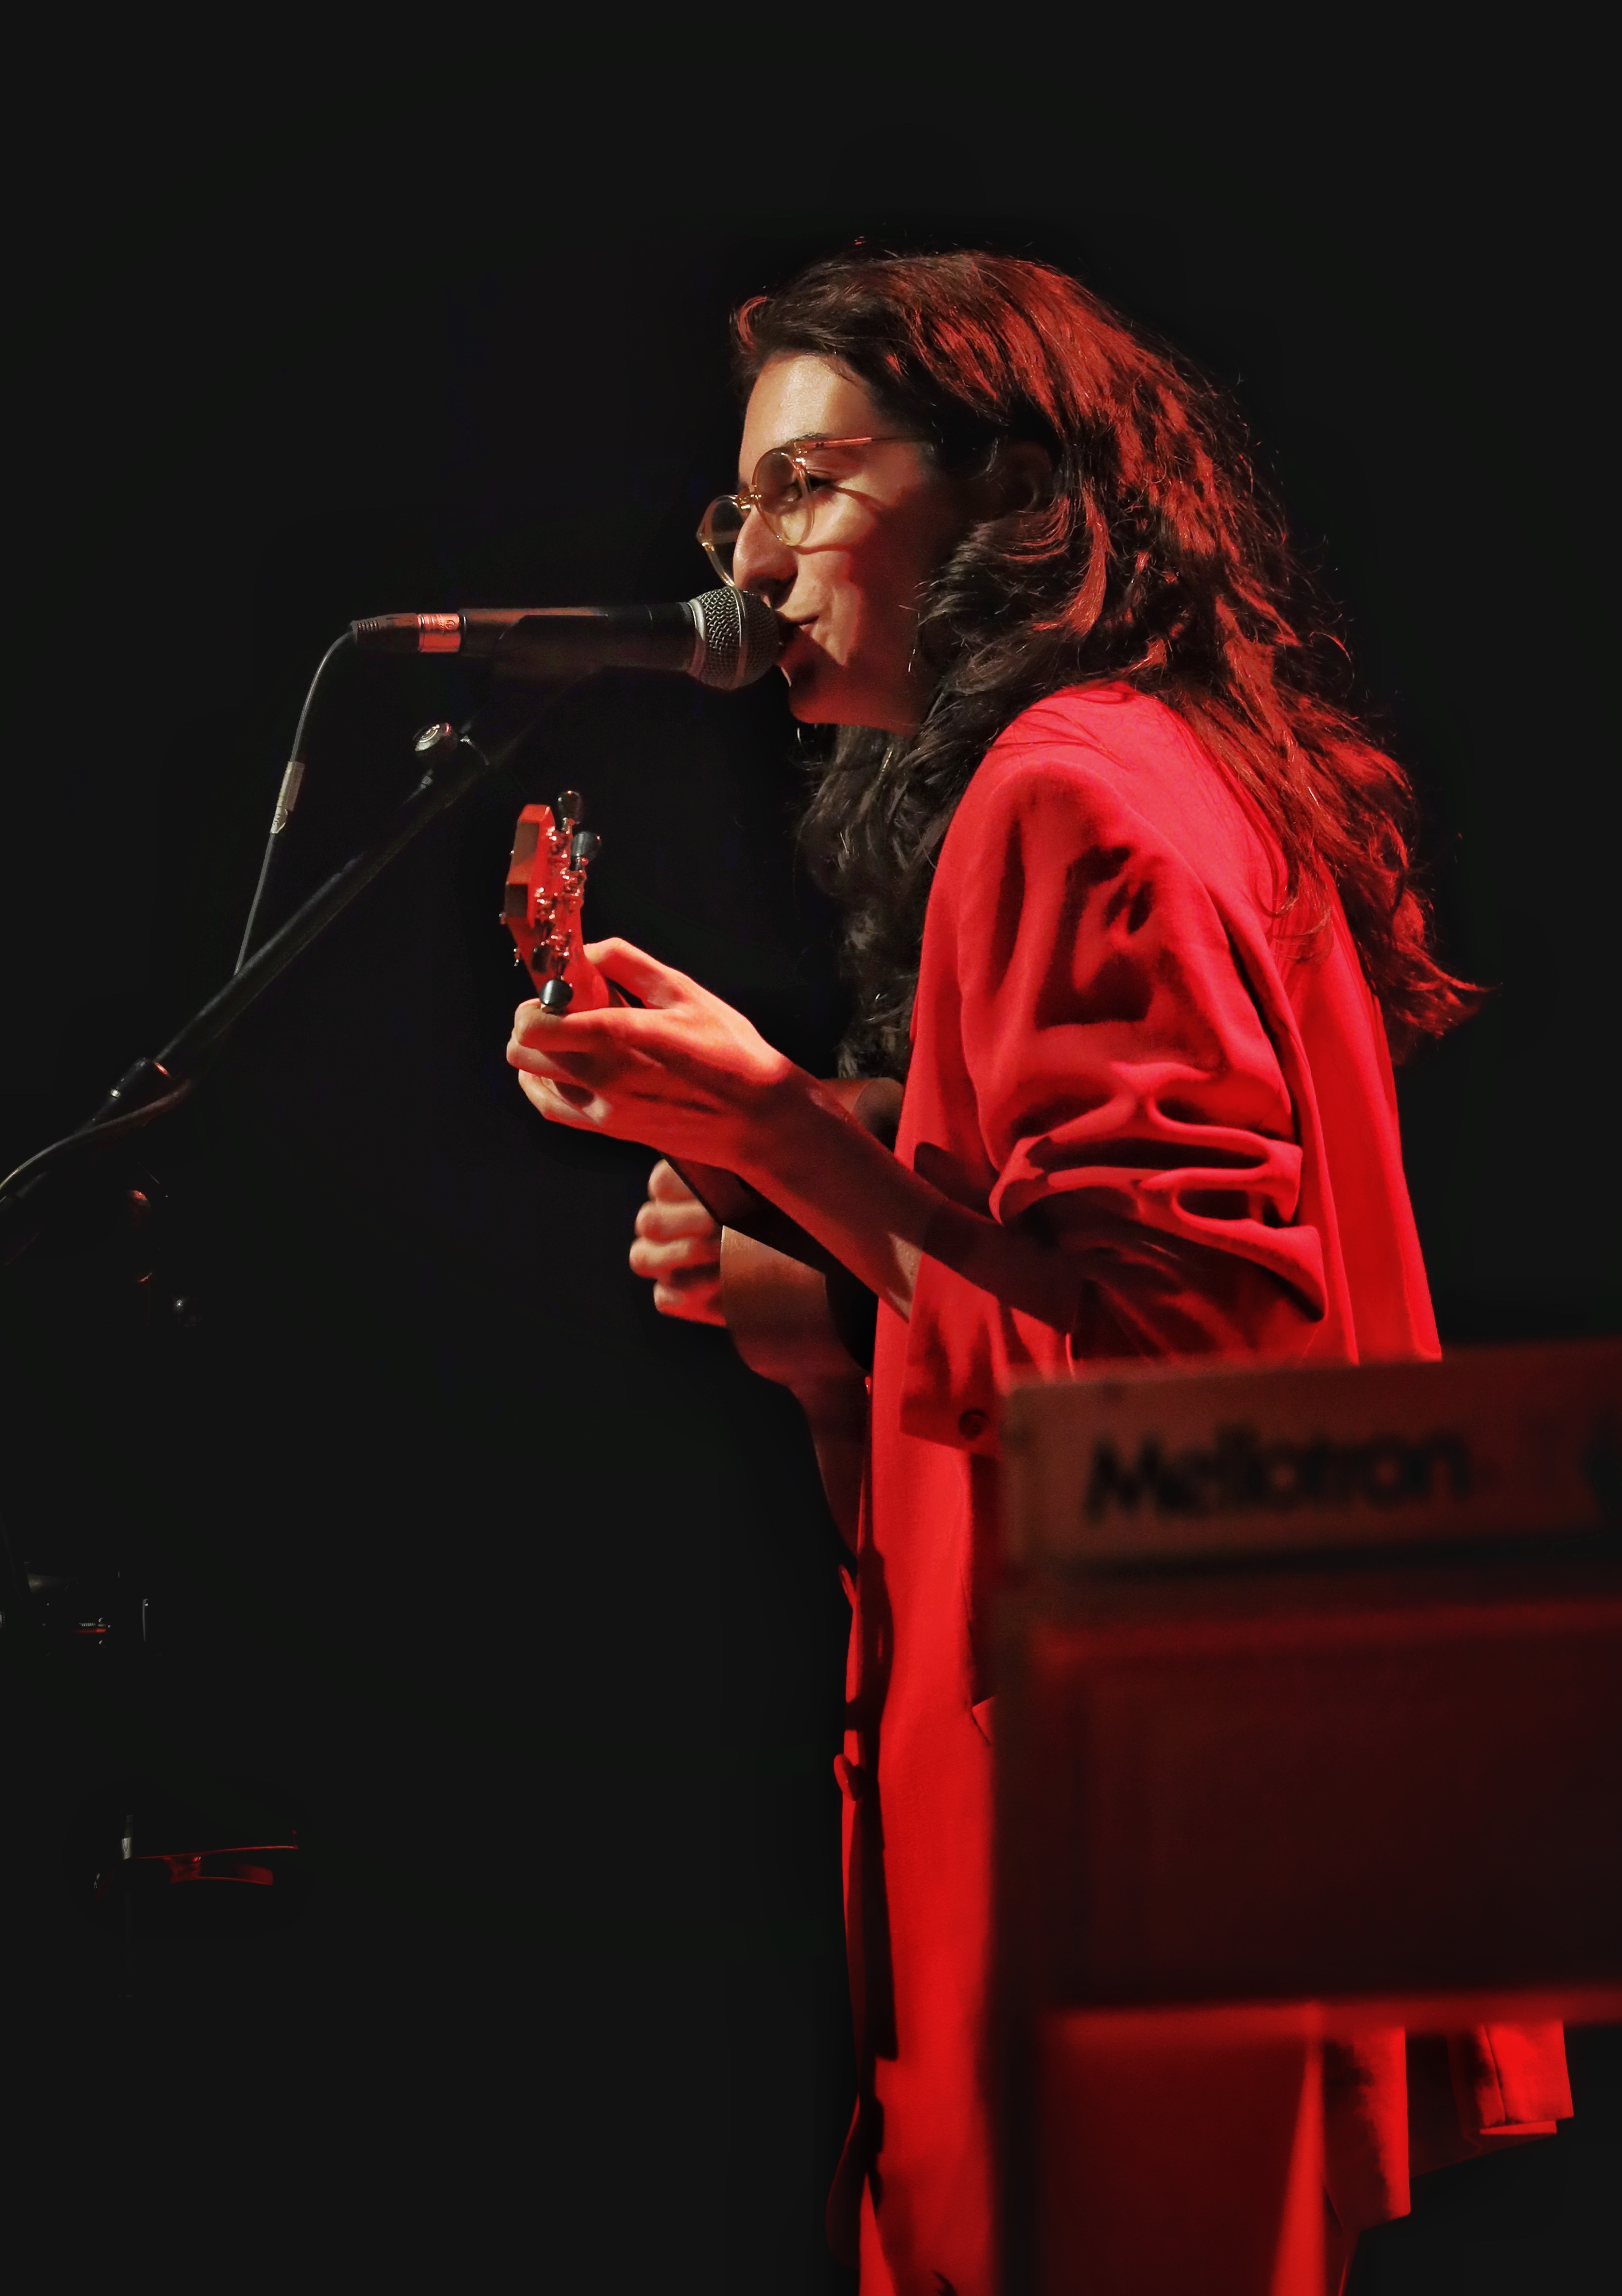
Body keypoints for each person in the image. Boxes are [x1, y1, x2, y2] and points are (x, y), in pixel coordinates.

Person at [506, 251, 1570, 2294]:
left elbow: (1189, 1374)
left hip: (1123, 1817)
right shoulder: (1144, 765)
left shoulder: (1071, 791)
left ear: (1012, 496)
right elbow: (1100, 1286)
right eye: (740, 507)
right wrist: (819, 1306)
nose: (758, 554)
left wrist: (782, 1135)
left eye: (813, 484)